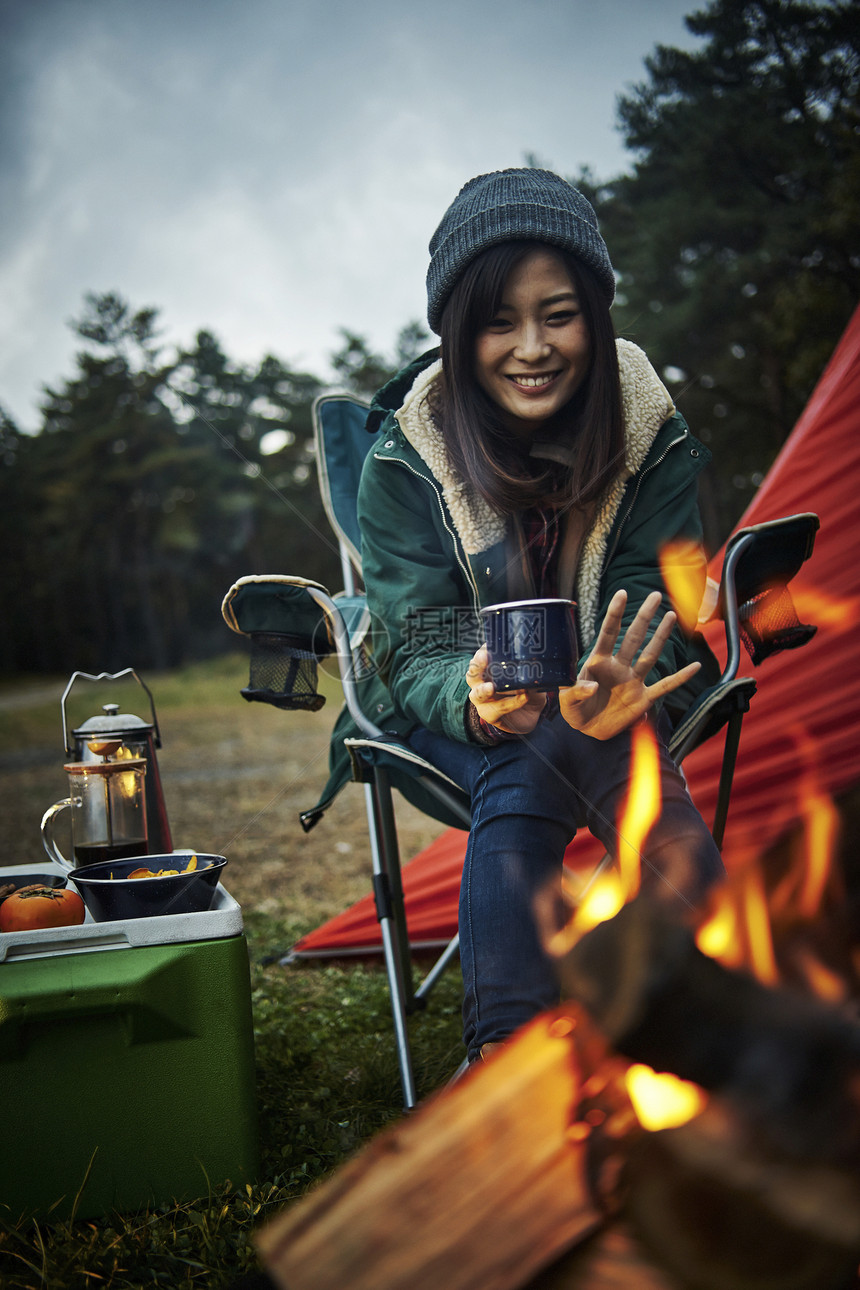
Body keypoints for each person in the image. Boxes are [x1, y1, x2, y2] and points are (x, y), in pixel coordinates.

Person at [350, 168, 725, 1064]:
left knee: (570, 729)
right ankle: (727, 1007)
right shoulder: (408, 458)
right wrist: (473, 694)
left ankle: (505, 1059)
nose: (532, 347)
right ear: (458, 330)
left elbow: (661, 595)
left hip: (604, 706)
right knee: (529, 734)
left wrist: (629, 684)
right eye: (498, 322)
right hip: (441, 708)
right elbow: (418, 637)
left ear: (594, 315)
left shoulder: (648, 433)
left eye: (557, 315)